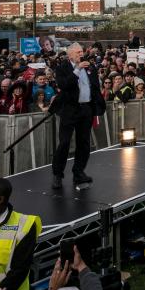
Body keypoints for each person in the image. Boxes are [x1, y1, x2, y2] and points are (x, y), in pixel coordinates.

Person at [50, 43, 106, 190]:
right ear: (70, 55)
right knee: (64, 143)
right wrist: (77, 69)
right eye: (77, 52)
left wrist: (97, 103)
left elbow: (94, 86)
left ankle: (78, 172)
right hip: (70, 110)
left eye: (81, 51)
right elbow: (63, 85)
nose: (81, 54)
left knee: (84, 143)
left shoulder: (90, 67)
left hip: (86, 109)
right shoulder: (62, 68)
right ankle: (58, 174)